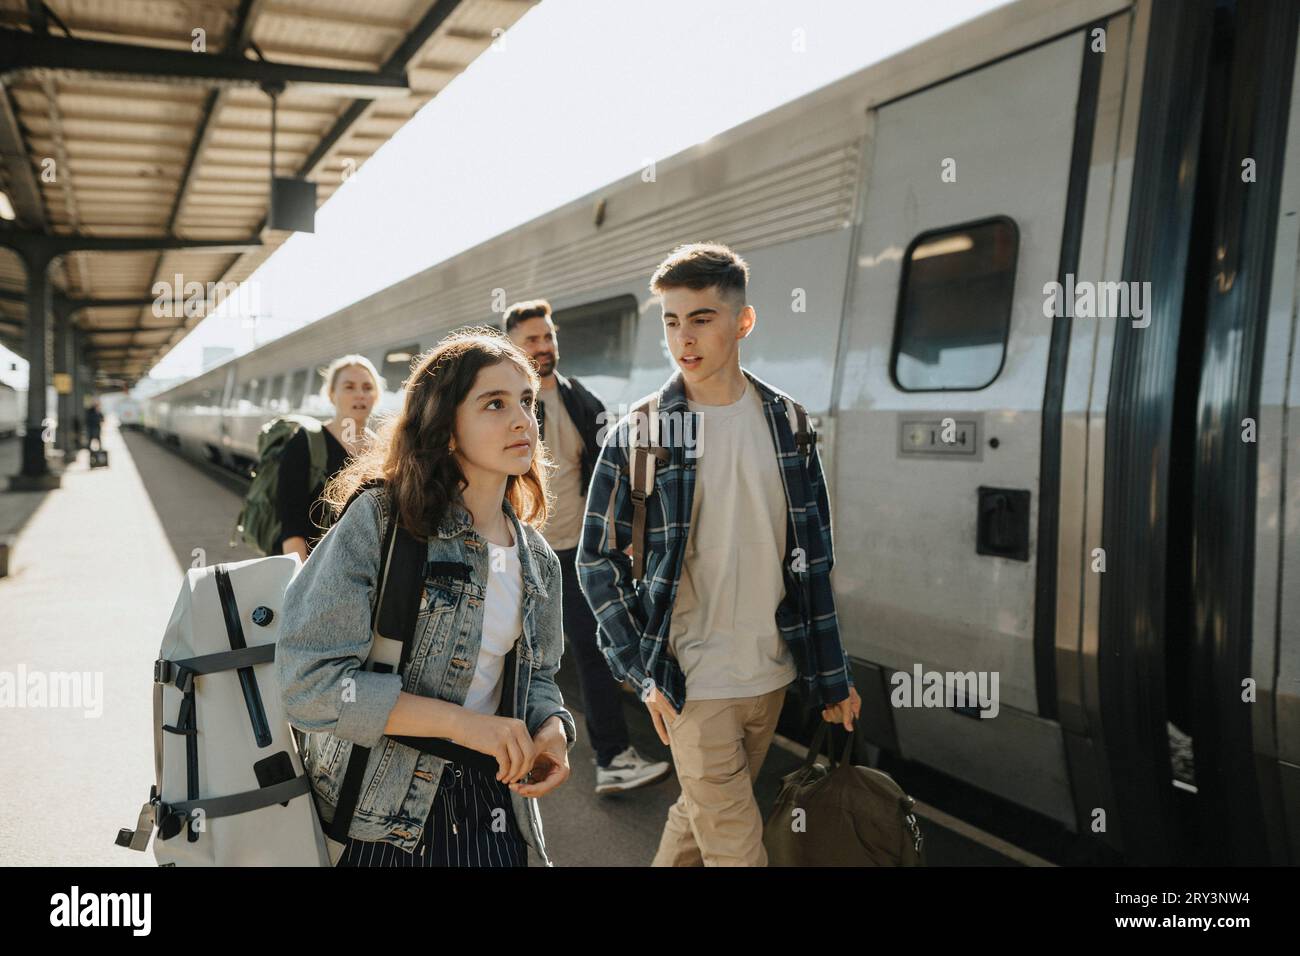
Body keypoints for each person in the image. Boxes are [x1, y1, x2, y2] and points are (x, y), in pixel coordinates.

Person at [577, 242, 862, 866]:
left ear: (743, 321)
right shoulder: (641, 432)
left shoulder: (789, 423)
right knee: (738, 848)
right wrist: (642, 670)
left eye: (701, 318)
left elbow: (814, 556)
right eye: (671, 322)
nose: (684, 338)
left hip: (771, 670)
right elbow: (594, 557)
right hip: (690, 678)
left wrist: (831, 674)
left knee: (699, 816)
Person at [276, 328, 576, 867]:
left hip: (492, 808)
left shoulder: (537, 558)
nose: (521, 420)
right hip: (382, 818)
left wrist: (551, 729)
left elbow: (540, 676)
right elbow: (310, 685)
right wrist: (462, 725)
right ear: (447, 427)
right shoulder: (382, 522)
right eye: (494, 403)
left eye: (527, 402)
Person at [503, 299, 671, 795]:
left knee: (593, 652)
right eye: (531, 339)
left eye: (548, 336)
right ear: (512, 345)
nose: (543, 346)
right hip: (516, 551)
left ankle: (613, 758)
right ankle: (511, 754)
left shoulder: (581, 400)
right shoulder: (508, 402)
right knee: (511, 652)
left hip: (573, 554)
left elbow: (609, 477)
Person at [276, 355, 382, 562]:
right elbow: (291, 524)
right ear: (332, 394)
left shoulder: (383, 450)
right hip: (317, 573)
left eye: (367, 388)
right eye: (349, 387)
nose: (360, 394)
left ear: (376, 396)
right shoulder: (305, 443)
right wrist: (300, 582)